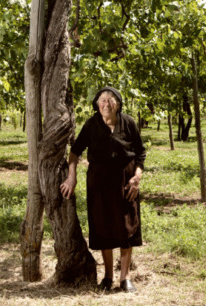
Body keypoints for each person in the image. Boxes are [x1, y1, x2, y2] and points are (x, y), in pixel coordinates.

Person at [60, 86, 145, 293]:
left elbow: (140, 153)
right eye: (102, 100)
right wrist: (72, 177)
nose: (106, 103)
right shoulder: (91, 125)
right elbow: (75, 152)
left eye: (111, 99)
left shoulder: (129, 123)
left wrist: (137, 177)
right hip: (98, 184)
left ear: (118, 103)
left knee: (128, 226)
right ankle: (108, 276)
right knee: (103, 224)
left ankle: (125, 277)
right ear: (97, 105)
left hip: (126, 181)